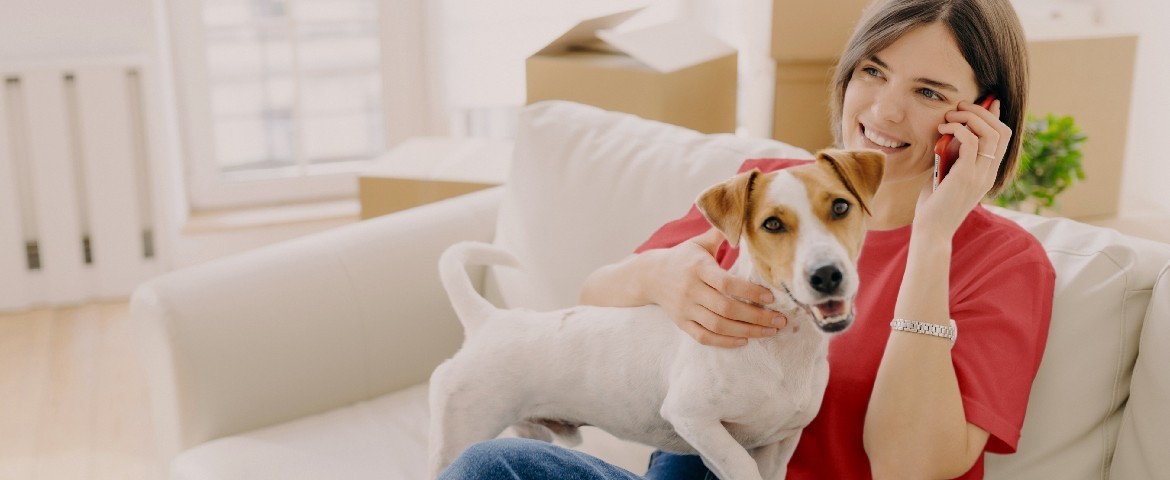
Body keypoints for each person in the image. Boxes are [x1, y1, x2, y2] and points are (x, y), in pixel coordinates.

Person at [439, 0, 1055, 478]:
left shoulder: (1005, 264)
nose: (885, 111)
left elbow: (906, 467)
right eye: (874, 71)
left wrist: (932, 235)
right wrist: (659, 279)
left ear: (983, 117)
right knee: (492, 469)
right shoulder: (767, 192)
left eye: (928, 92)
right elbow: (595, 306)